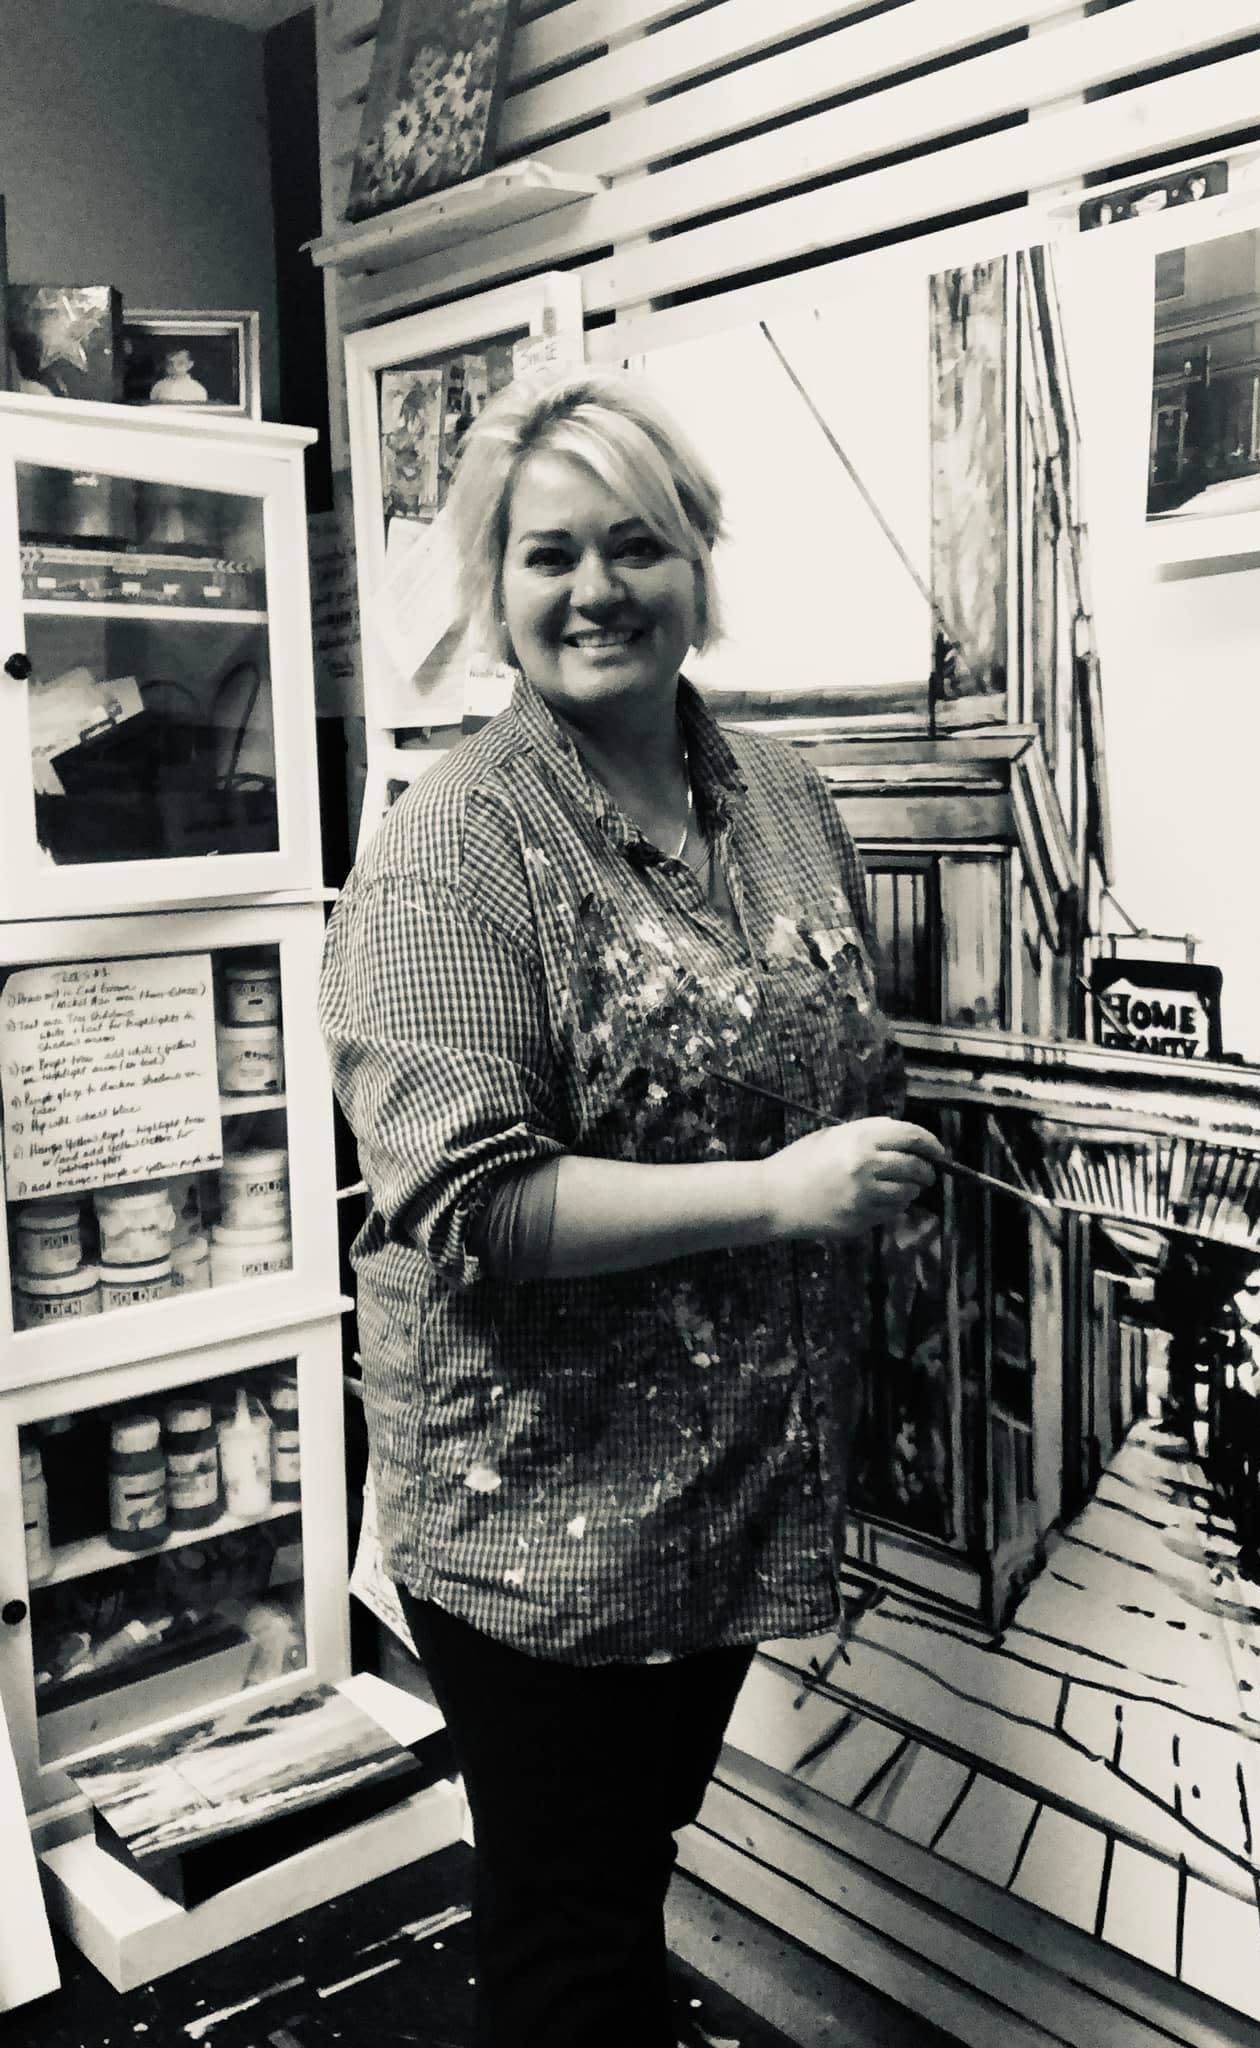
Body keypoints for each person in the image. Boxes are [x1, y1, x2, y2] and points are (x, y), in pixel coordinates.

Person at [318, 366, 945, 2048]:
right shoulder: (459, 841)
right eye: (547, 556)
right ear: (494, 590)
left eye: (636, 544)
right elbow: (472, 1199)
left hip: (731, 1488)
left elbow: (822, 1055)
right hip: (539, 1508)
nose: (595, 589)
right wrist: (780, 1193)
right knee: (569, 1923)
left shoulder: (789, 804)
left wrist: (855, 1166)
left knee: (625, 1863)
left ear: (698, 567)